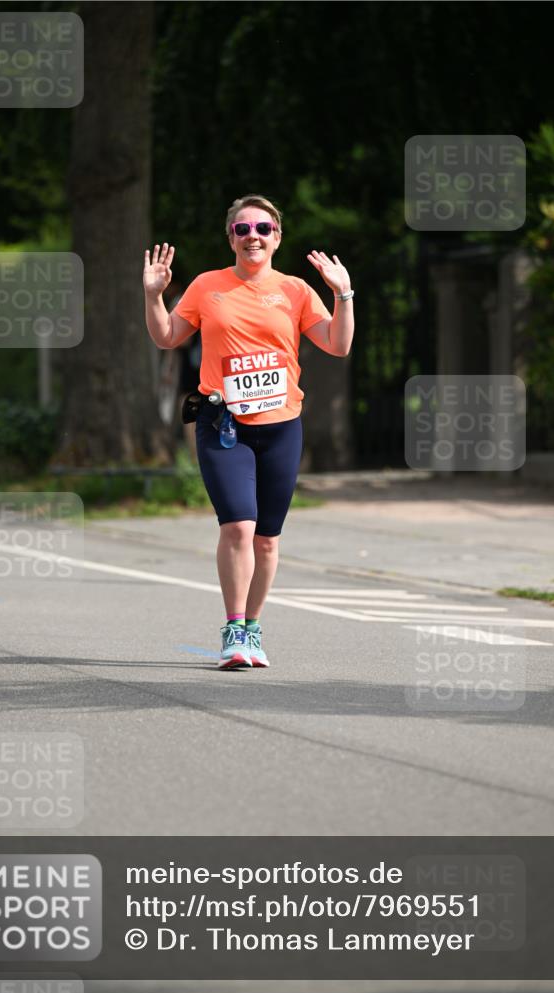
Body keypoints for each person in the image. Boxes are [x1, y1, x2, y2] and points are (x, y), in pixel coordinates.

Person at [143, 194, 354, 670]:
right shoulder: (206, 285)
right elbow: (167, 338)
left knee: (267, 539)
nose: (252, 236)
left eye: (262, 228)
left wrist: (343, 294)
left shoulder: (296, 290)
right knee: (238, 526)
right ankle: (234, 628)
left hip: (281, 427)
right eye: (242, 230)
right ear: (231, 238)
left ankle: (254, 628)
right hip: (223, 425)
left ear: (276, 237)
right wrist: (154, 296)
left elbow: (338, 345)